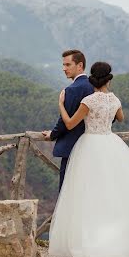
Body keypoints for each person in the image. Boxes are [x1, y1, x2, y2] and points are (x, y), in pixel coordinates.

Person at [48, 61, 129, 257]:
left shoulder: (88, 100)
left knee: (87, 193)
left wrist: (61, 106)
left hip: (90, 145)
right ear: (109, 79)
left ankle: (90, 237)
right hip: (111, 144)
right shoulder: (114, 99)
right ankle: (118, 236)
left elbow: (71, 123)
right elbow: (121, 117)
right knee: (113, 191)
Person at [43, 49, 94, 190]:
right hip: (94, 148)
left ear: (80, 65)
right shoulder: (94, 86)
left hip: (72, 148)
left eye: (68, 64)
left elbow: (65, 121)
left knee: (68, 190)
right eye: (63, 65)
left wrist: (52, 134)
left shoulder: (72, 89)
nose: (64, 68)